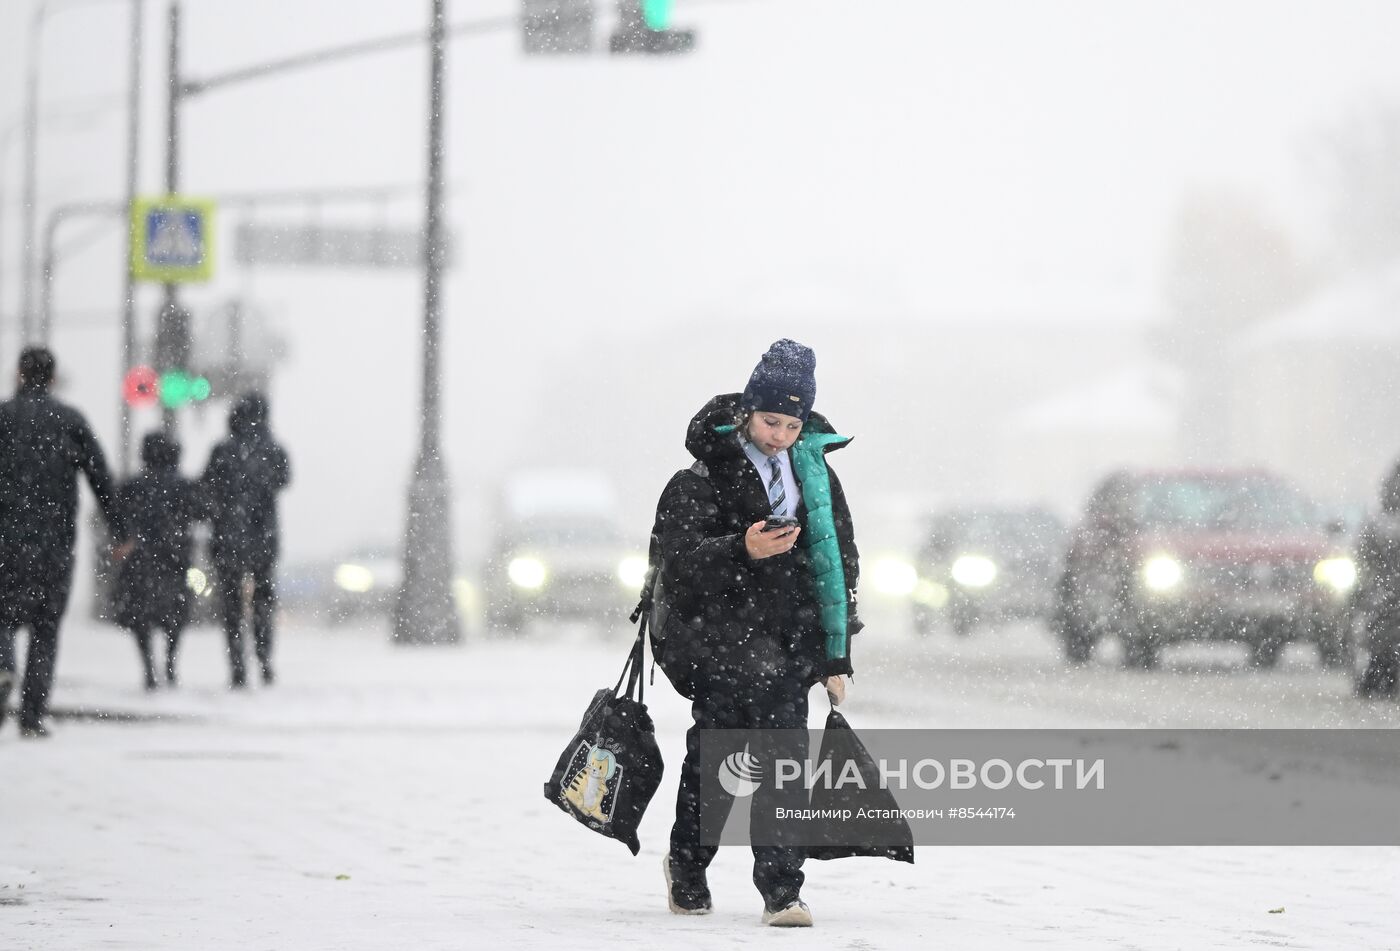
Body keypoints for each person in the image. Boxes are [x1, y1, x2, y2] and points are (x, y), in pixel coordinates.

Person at [651, 339, 861, 928]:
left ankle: (781, 891)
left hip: (789, 646)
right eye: (771, 420)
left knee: (786, 766)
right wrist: (740, 548)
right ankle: (688, 871)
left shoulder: (816, 477)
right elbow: (679, 561)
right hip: (719, 643)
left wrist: (836, 655)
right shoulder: (704, 474)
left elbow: (838, 563)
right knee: (715, 765)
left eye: (793, 424)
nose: (780, 435)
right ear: (747, 411)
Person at [0, 347, 130, 738]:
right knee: (46, 627)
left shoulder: (3, 418)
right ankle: (33, 715)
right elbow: (101, 478)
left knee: (1, 615)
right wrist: (120, 531)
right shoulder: (69, 421)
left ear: (19, 374)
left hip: (4, 540)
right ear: (53, 378)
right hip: (55, 543)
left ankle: (3, 666)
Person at [201, 392, 290, 689]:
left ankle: (237, 666)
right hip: (263, 539)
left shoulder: (223, 450)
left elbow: (207, 488)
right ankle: (264, 659)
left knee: (231, 606)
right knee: (263, 601)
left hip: (228, 538)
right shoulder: (273, 450)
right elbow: (284, 480)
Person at [114, 433, 206, 690]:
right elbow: (203, 511)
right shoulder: (185, 486)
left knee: (141, 617)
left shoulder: (133, 486)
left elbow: (116, 514)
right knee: (175, 616)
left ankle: (149, 668)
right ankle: (170, 663)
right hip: (175, 560)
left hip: (140, 560)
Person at [1354, 462, 1400, 698]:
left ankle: (1378, 680)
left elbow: (1363, 559)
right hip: (1384, 601)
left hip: (1383, 600)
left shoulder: (1378, 526)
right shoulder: (1379, 526)